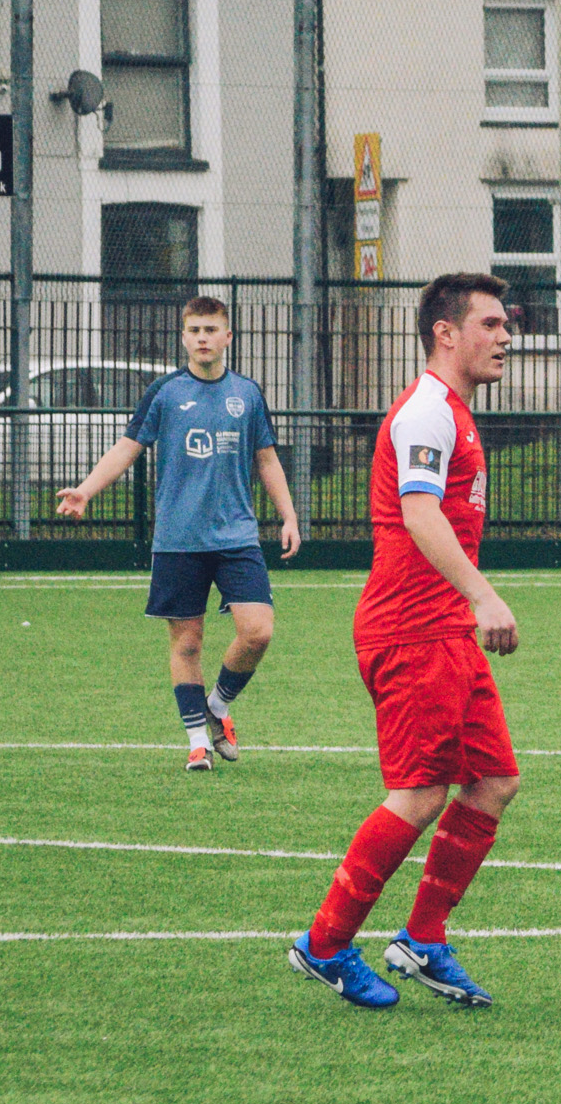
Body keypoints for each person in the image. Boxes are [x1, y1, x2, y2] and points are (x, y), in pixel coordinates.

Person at [288, 273, 521, 1011]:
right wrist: (482, 593)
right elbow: (420, 513)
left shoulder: (455, 413)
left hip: (444, 628)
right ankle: (324, 943)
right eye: (490, 323)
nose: (505, 336)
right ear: (445, 333)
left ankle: (422, 938)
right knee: (419, 793)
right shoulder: (427, 410)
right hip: (412, 627)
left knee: (493, 780)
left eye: (505, 323)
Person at [56, 296, 300, 772]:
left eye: (212, 329)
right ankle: (196, 741)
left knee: (258, 631)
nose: (203, 338)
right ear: (184, 337)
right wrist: (85, 490)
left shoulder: (247, 394)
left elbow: (267, 459)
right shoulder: (165, 393)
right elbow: (128, 446)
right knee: (187, 643)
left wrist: (288, 516)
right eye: (194, 330)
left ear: (228, 337)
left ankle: (217, 707)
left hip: (236, 536)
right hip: (178, 538)